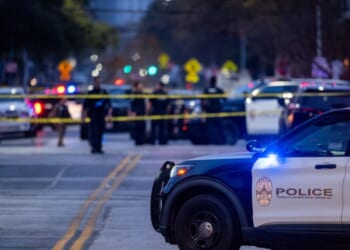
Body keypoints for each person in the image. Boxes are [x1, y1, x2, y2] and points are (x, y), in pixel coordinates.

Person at [82, 76, 112, 154]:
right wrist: (84, 116)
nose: (98, 84)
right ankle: (94, 147)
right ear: (94, 83)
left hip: (101, 115)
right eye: (96, 82)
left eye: (99, 82)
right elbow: (85, 105)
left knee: (100, 132)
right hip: (93, 115)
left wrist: (109, 114)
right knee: (93, 131)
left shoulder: (103, 92)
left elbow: (109, 104)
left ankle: (99, 147)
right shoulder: (91, 93)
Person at [202, 75, 225, 144]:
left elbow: (202, 99)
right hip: (217, 110)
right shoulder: (218, 90)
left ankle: (211, 141)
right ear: (215, 81)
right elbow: (225, 98)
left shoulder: (206, 90)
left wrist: (203, 108)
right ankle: (221, 141)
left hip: (209, 111)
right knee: (219, 126)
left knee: (210, 127)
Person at [129, 81, 147, 145]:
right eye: (140, 86)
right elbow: (132, 105)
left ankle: (142, 141)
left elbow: (144, 104)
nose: (141, 87)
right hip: (136, 113)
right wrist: (133, 112)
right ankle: (137, 141)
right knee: (137, 128)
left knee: (142, 127)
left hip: (142, 113)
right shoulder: (134, 94)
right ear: (136, 87)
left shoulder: (142, 94)